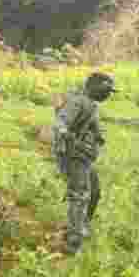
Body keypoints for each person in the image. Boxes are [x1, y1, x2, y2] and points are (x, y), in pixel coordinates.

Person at [51, 72, 114, 255]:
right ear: (95, 88)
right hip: (74, 157)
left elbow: (94, 128)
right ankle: (73, 242)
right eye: (106, 91)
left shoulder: (91, 105)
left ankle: (79, 227)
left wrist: (98, 137)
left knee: (94, 192)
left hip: (84, 156)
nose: (108, 95)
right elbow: (60, 122)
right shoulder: (78, 102)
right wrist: (65, 133)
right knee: (79, 196)